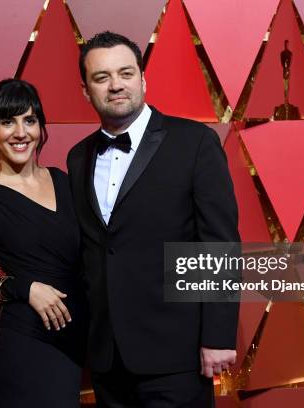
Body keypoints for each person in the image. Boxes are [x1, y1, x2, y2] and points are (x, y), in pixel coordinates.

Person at [67, 32, 240, 407]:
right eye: (102, 78)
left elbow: (220, 244)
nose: (115, 85)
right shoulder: (77, 157)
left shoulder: (194, 142)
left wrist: (219, 336)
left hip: (177, 353)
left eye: (126, 73)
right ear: (86, 91)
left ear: (143, 79)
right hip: (107, 358)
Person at [0, 79, 87, 407]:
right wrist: (25, 288)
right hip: (24, 342)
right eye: (7, 122)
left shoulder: (64, 180)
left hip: (73, 341)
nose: (20, 132)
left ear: (41, 127)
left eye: (29, 120)